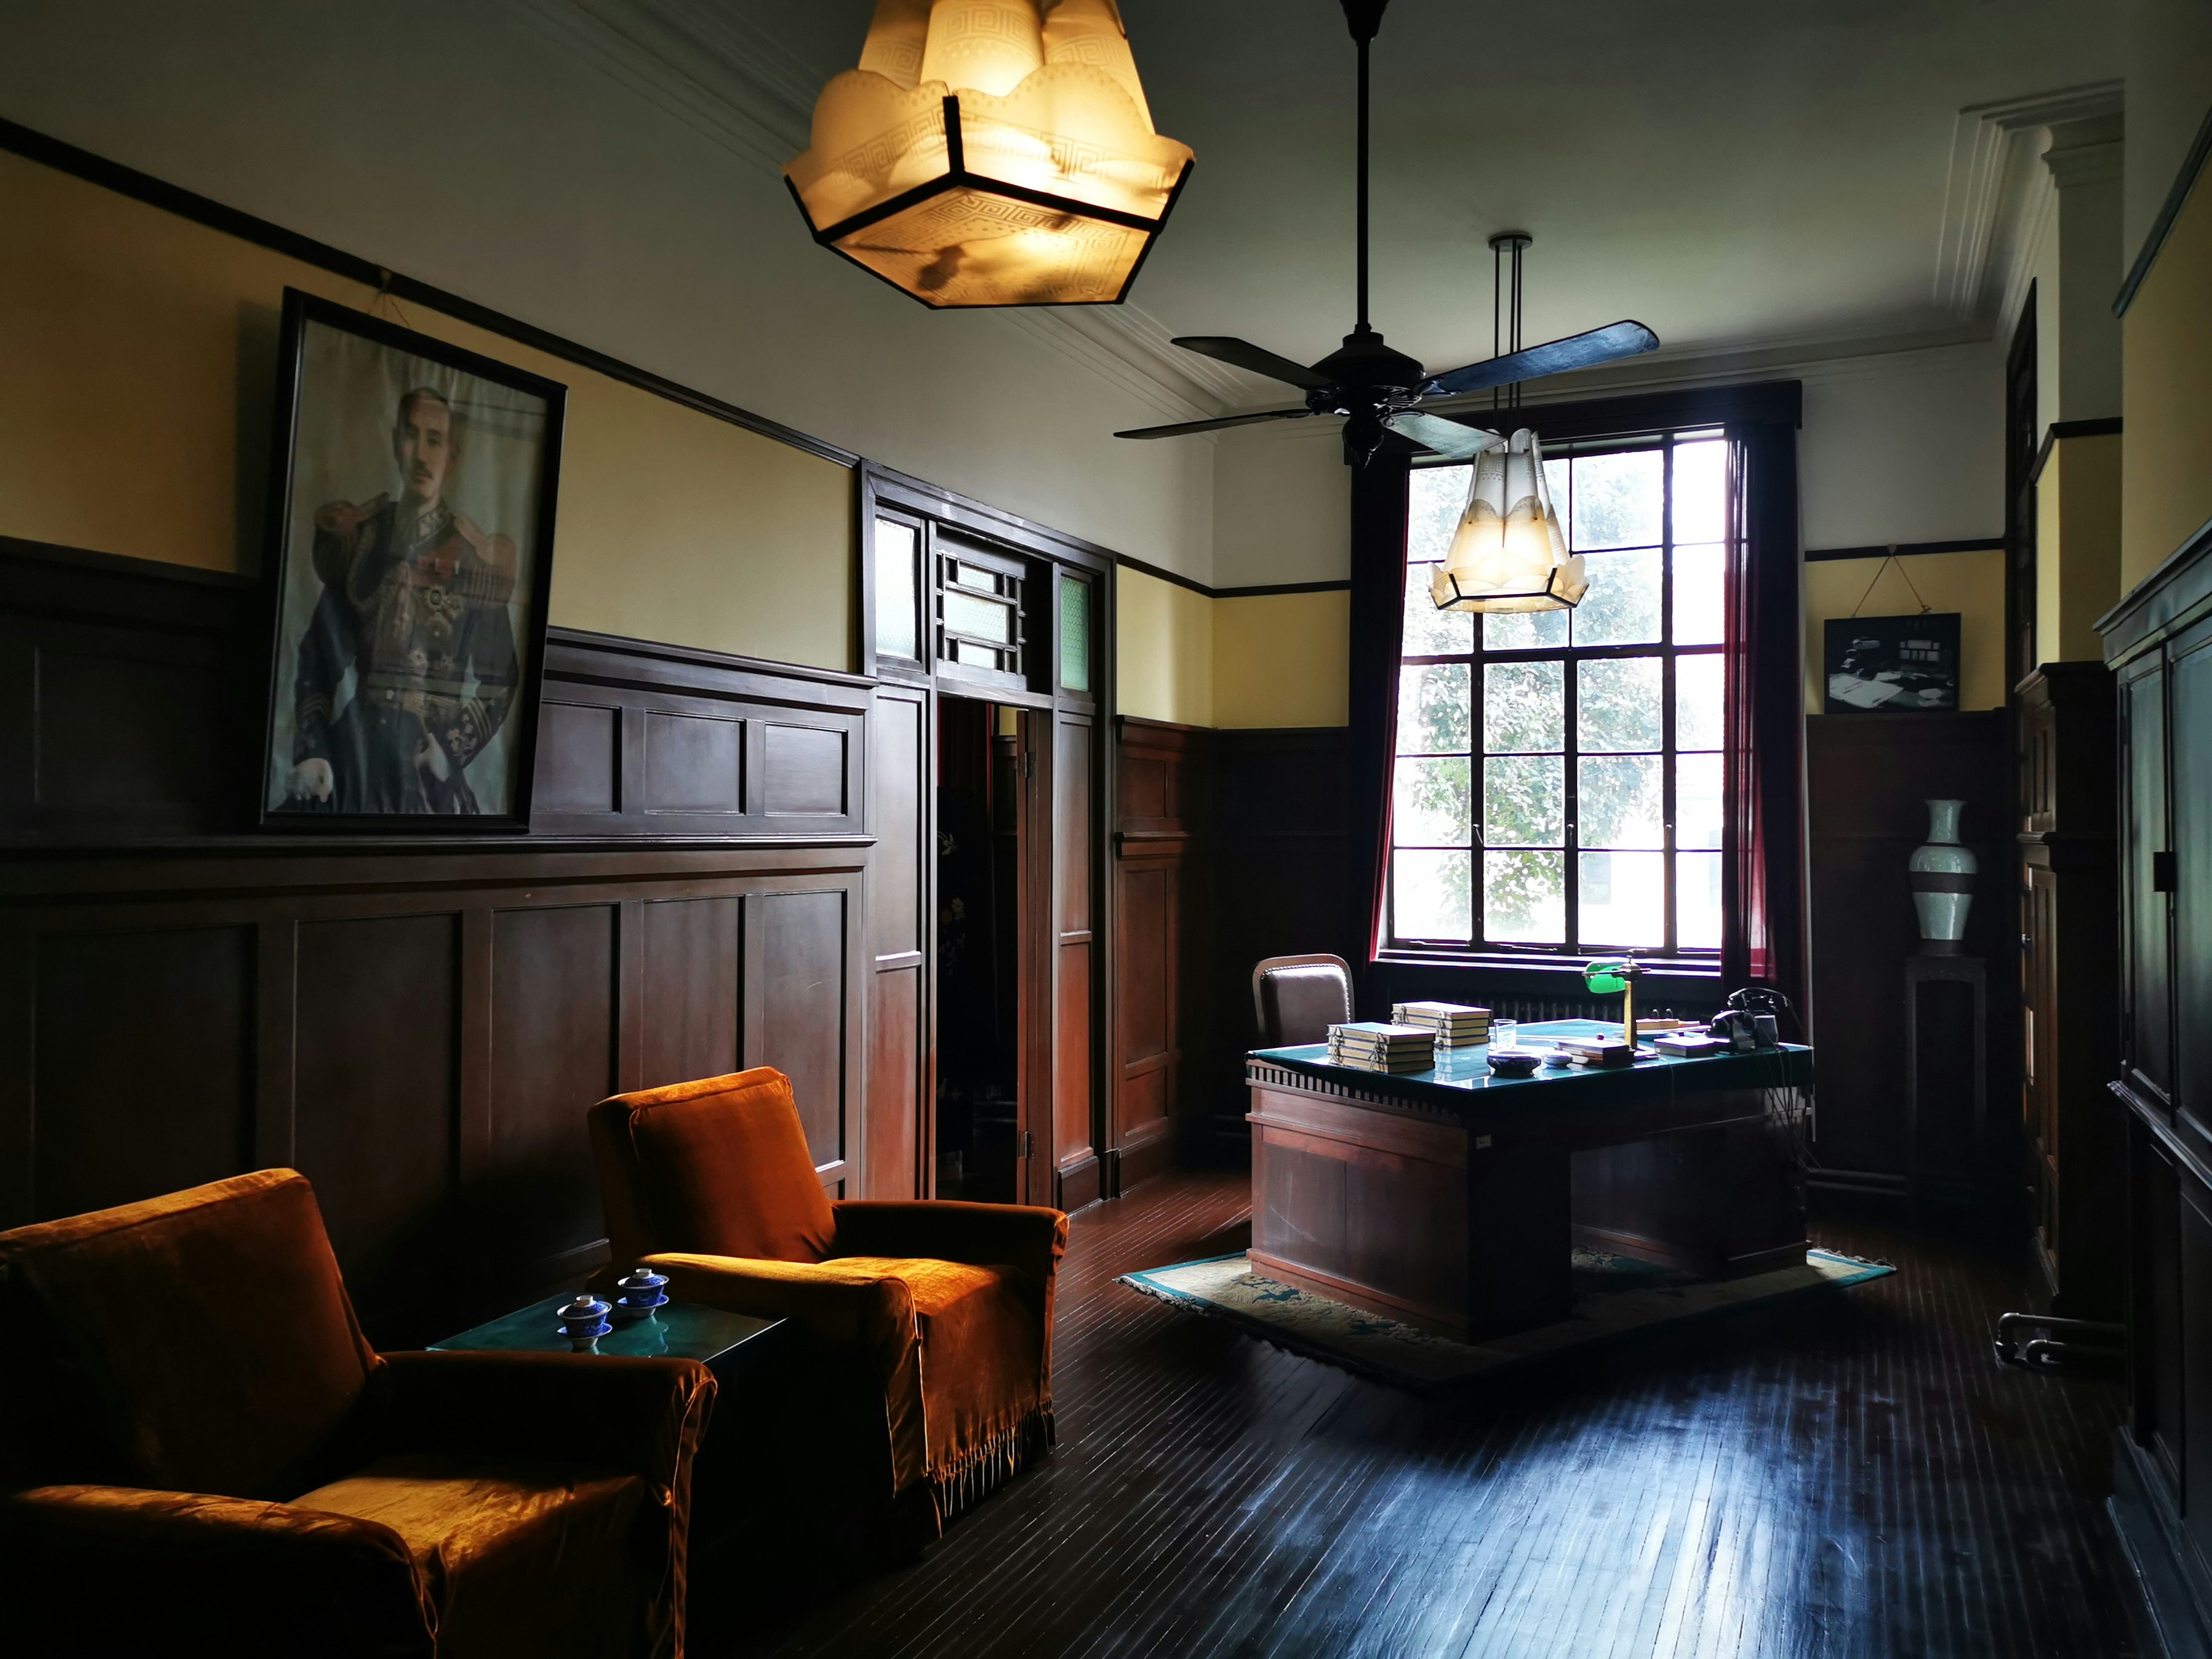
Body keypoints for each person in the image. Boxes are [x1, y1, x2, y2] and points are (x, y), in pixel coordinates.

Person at [286, 385, 520, 814]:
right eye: (412, 437)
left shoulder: (474, 556)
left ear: (452, 456)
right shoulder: (363, 537)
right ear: (397, 444)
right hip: (353, 755)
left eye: (436, 440)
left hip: (426, 767)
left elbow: (502, 681)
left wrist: (449, 751)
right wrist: (313, 749)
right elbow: (317, 660)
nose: (423, 455)